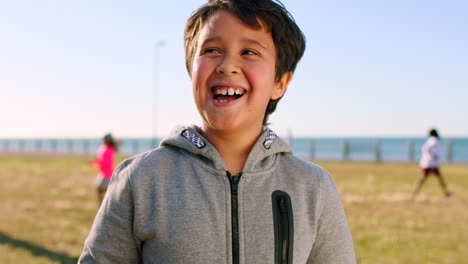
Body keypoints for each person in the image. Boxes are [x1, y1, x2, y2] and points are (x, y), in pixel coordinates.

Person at [79, 0, 356, 263]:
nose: (227, 66)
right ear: (192, 71)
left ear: (280, 82)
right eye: (211, 50)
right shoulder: (139, 180)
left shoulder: (313, 187)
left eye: (249, 52)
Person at [413, 128, 452, 198]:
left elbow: (425, 148)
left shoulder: (430, 140)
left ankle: (415, 192)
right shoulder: (434, 140)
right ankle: (446, 193)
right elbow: (426, 148)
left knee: (426, 178)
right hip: (430, 164)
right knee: (435, 178)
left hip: (429, 163)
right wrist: (434, 155)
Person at [90, 133, 117, 206]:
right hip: (101, 172)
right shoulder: (101, 147)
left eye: (106, 139)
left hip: (107, 173)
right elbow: (99, 157)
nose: (105, 141)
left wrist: (96, 162)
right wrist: (95, 162)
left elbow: (108, 162)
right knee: (99, 190)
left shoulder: (111, 149)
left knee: (105, 191)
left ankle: (105, 206)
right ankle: (101, 206)